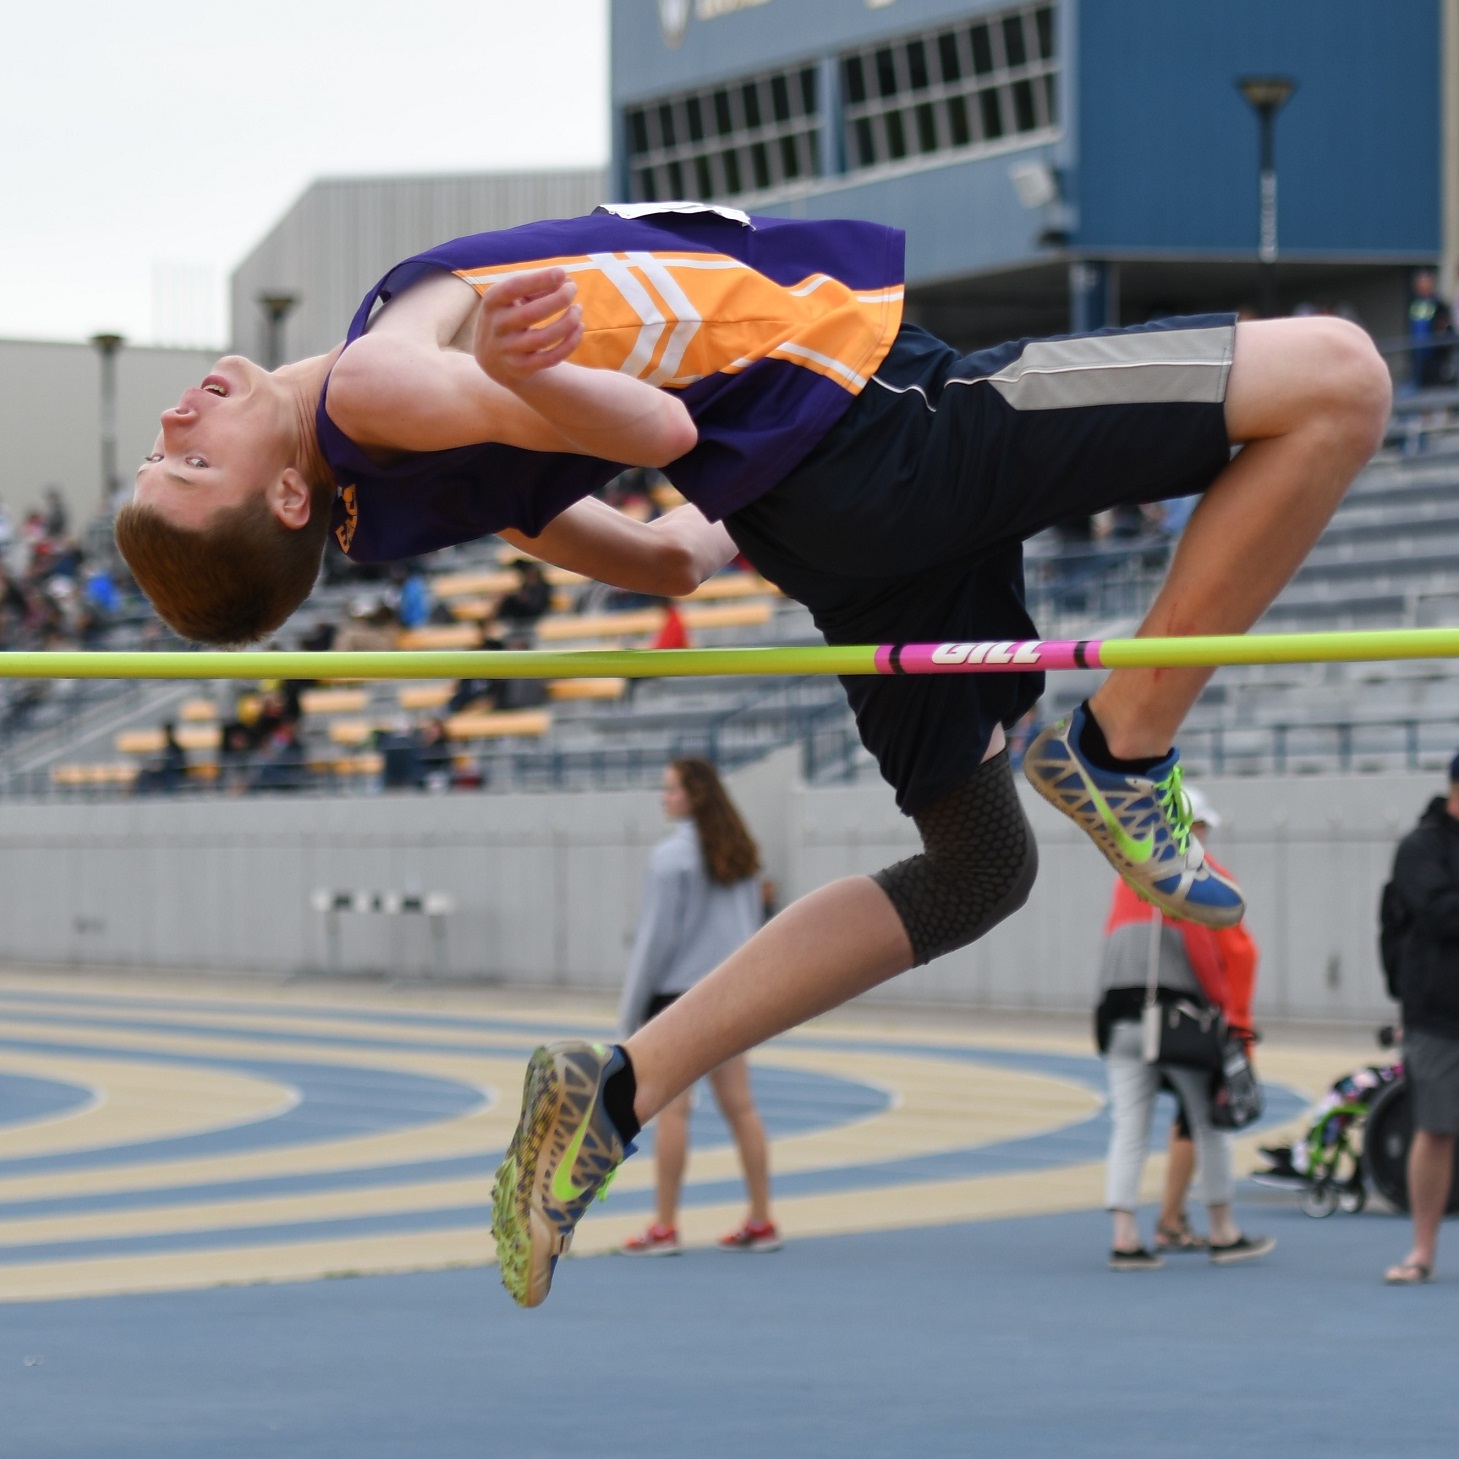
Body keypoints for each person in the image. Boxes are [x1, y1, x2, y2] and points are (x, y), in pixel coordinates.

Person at [115, 205, 1389, 1306]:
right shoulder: (381, 388)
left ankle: (615, 1091)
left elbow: (672, 557)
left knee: (977, 867)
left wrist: (744, 487)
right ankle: (1126, 747)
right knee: (1338, 374)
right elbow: (660, 433)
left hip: (813, 491)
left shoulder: (379, 491)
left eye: (159, 447)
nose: (176, 413)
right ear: (283, 501)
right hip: (869, 421)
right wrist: (540, 375)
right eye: (187, 458)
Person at [1095, 785, 1272, 1270]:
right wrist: (1226, 1015)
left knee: (1129, 1127)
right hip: (1178, 1017)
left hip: (1119, 1015)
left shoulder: (1127, 874)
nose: (1206, 837)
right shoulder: (1196, 875)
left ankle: (1125, 1237)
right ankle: (1222, 1231)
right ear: (1188, 828)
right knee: (1209, 1124)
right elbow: (1211, 953)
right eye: (1202, 828)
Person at [617, 758, 778, 1256]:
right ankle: (761, 1219)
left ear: (693, 796)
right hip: (730, 993)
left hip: (679, 998)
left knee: (673, 1115)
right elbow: (753, 931)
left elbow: (655, 941)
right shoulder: (741, 853)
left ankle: (664, 1226)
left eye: (669, 790)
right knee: (742, 1108)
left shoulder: (671, 858)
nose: (663, 798)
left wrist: (631, 1012)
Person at [1378, 753, 1459, 1284]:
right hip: (1438, 1013)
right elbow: (1440, 914)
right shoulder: (1421, 847)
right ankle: (1422, 1250)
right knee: (1435, 1129)